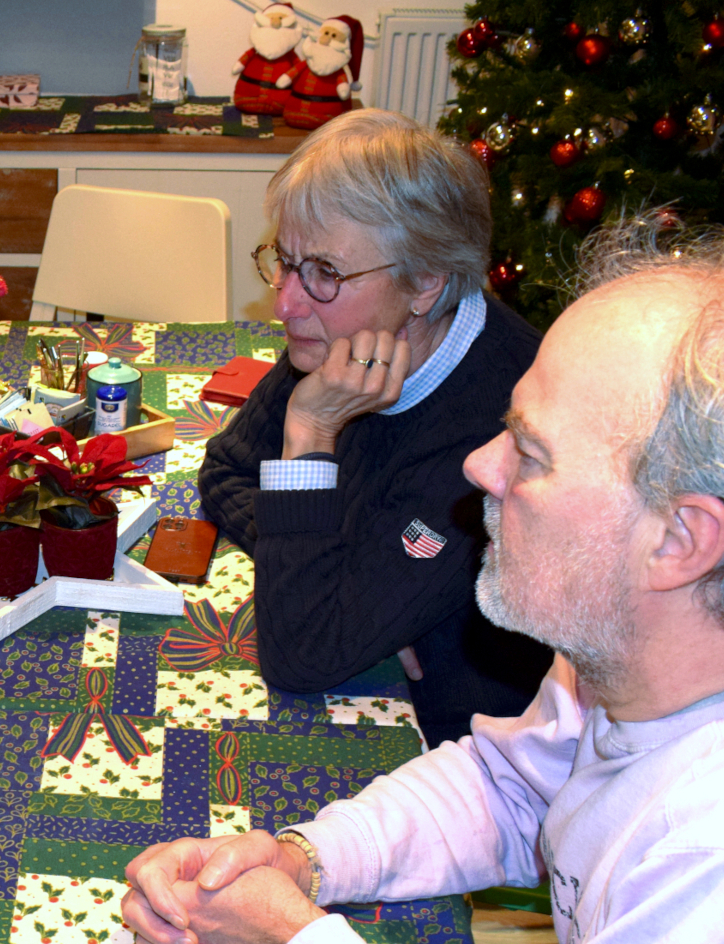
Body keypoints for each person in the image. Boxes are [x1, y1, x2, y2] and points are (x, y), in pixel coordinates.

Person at [126, 217, 724, 944]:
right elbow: (513, 786)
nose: (480, 465)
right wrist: (303, 859)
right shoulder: (638, 655)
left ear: (680, 540)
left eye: (530, 451)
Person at [198, 108, 551, 746]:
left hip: (465, 750)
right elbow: (227, 467)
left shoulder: (495, 435)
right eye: (286, 260)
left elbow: (300, 654)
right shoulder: (349, 336)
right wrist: (336, 564)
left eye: (326, 273)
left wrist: (307, 434)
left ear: (425, 282)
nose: (286, 302)